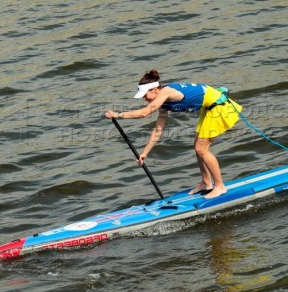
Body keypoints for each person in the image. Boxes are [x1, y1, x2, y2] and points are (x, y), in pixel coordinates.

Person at [104, 70, 242, 199]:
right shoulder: (163, 103)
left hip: (219, 106)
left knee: (201, 148)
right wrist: (145, 152)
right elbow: (158, 129)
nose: (144, 99)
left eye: (145, 95)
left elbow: (144, 113)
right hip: (209, 108)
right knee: (198, 147)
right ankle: (207, 183)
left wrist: (118, 115)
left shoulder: (167, 92)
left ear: (155, 89)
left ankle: (220, 186)